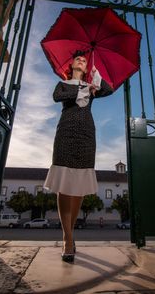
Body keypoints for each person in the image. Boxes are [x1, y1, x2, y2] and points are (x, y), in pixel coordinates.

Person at [43, 50, 114, 262]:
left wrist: (96, 77)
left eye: (84, 60)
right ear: (72, 64)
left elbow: (109, 90)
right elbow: (57, 97)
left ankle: (70, 233)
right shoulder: (63, 84)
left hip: (86, 135)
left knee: (79, 185)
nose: (81, 61)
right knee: (65, 184)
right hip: (65, 132)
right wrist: (78, 92)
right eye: (78, 59)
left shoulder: (91, 87)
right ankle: (67, 238)